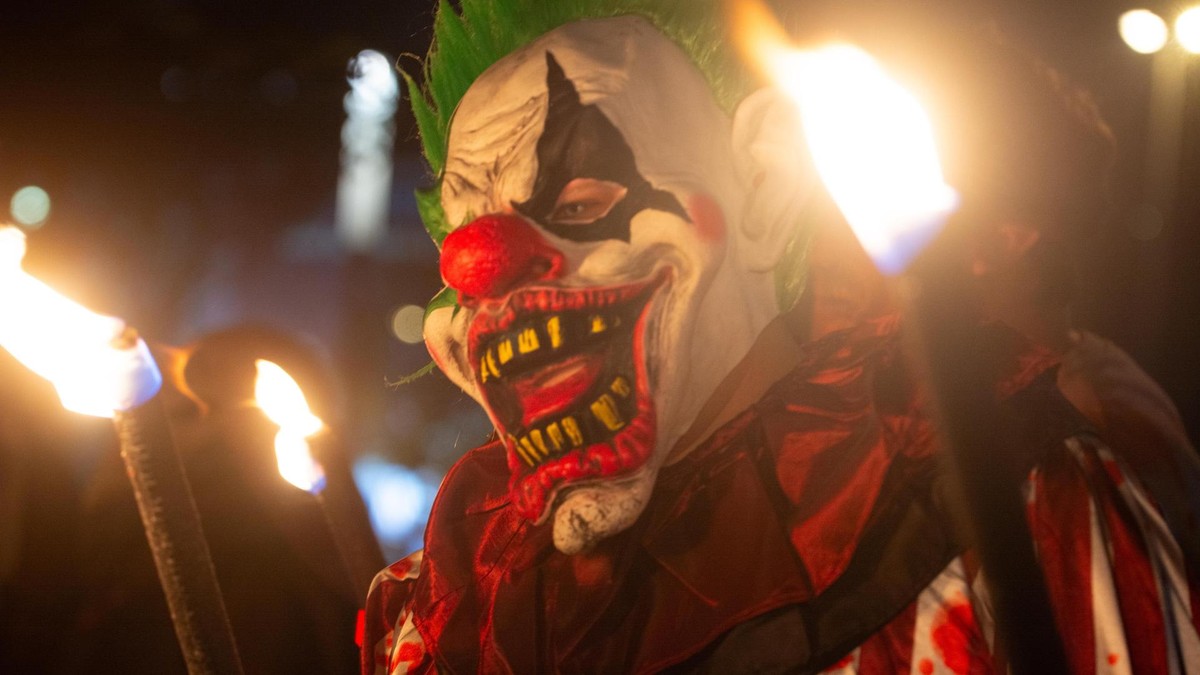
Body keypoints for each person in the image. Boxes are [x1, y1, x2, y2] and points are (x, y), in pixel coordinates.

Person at [361, 1, 1200, 672]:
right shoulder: (447, 608)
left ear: (764, 187)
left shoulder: (1001, 493)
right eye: (460, 239)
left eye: (580, 203)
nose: (485, 266)